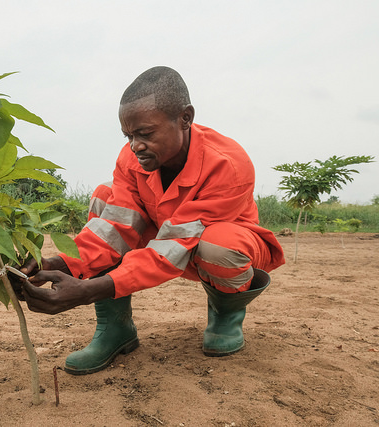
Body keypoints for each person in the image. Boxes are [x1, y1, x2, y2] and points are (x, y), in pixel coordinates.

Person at [15, 66, 285, 376]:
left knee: (218, 245)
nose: (134, 145)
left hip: (219, 253)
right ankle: (115, 330)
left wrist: (87, 291)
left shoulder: (228, 164)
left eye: (145, 134)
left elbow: (174, 246)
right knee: (105, 197)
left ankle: (226, 315)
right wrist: (57, 264)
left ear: (185, 118)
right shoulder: (131, 159)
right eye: (129, 135)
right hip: (167, 242)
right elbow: (113, 230)